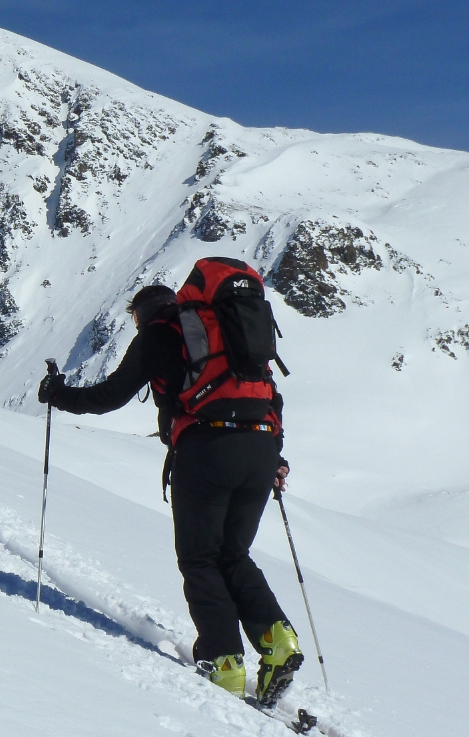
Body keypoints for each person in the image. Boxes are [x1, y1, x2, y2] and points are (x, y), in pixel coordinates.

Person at [38, 280, 303, 705]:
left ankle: (224, 661)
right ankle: (277, 640)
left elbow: (109, 396)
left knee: (200, 558)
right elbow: (273, 396)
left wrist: (57, 394)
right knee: (233, 555)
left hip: (206, 450)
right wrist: (275, 453)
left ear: (139, 315)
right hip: (260, 450)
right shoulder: (225, 334)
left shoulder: (158, 335)